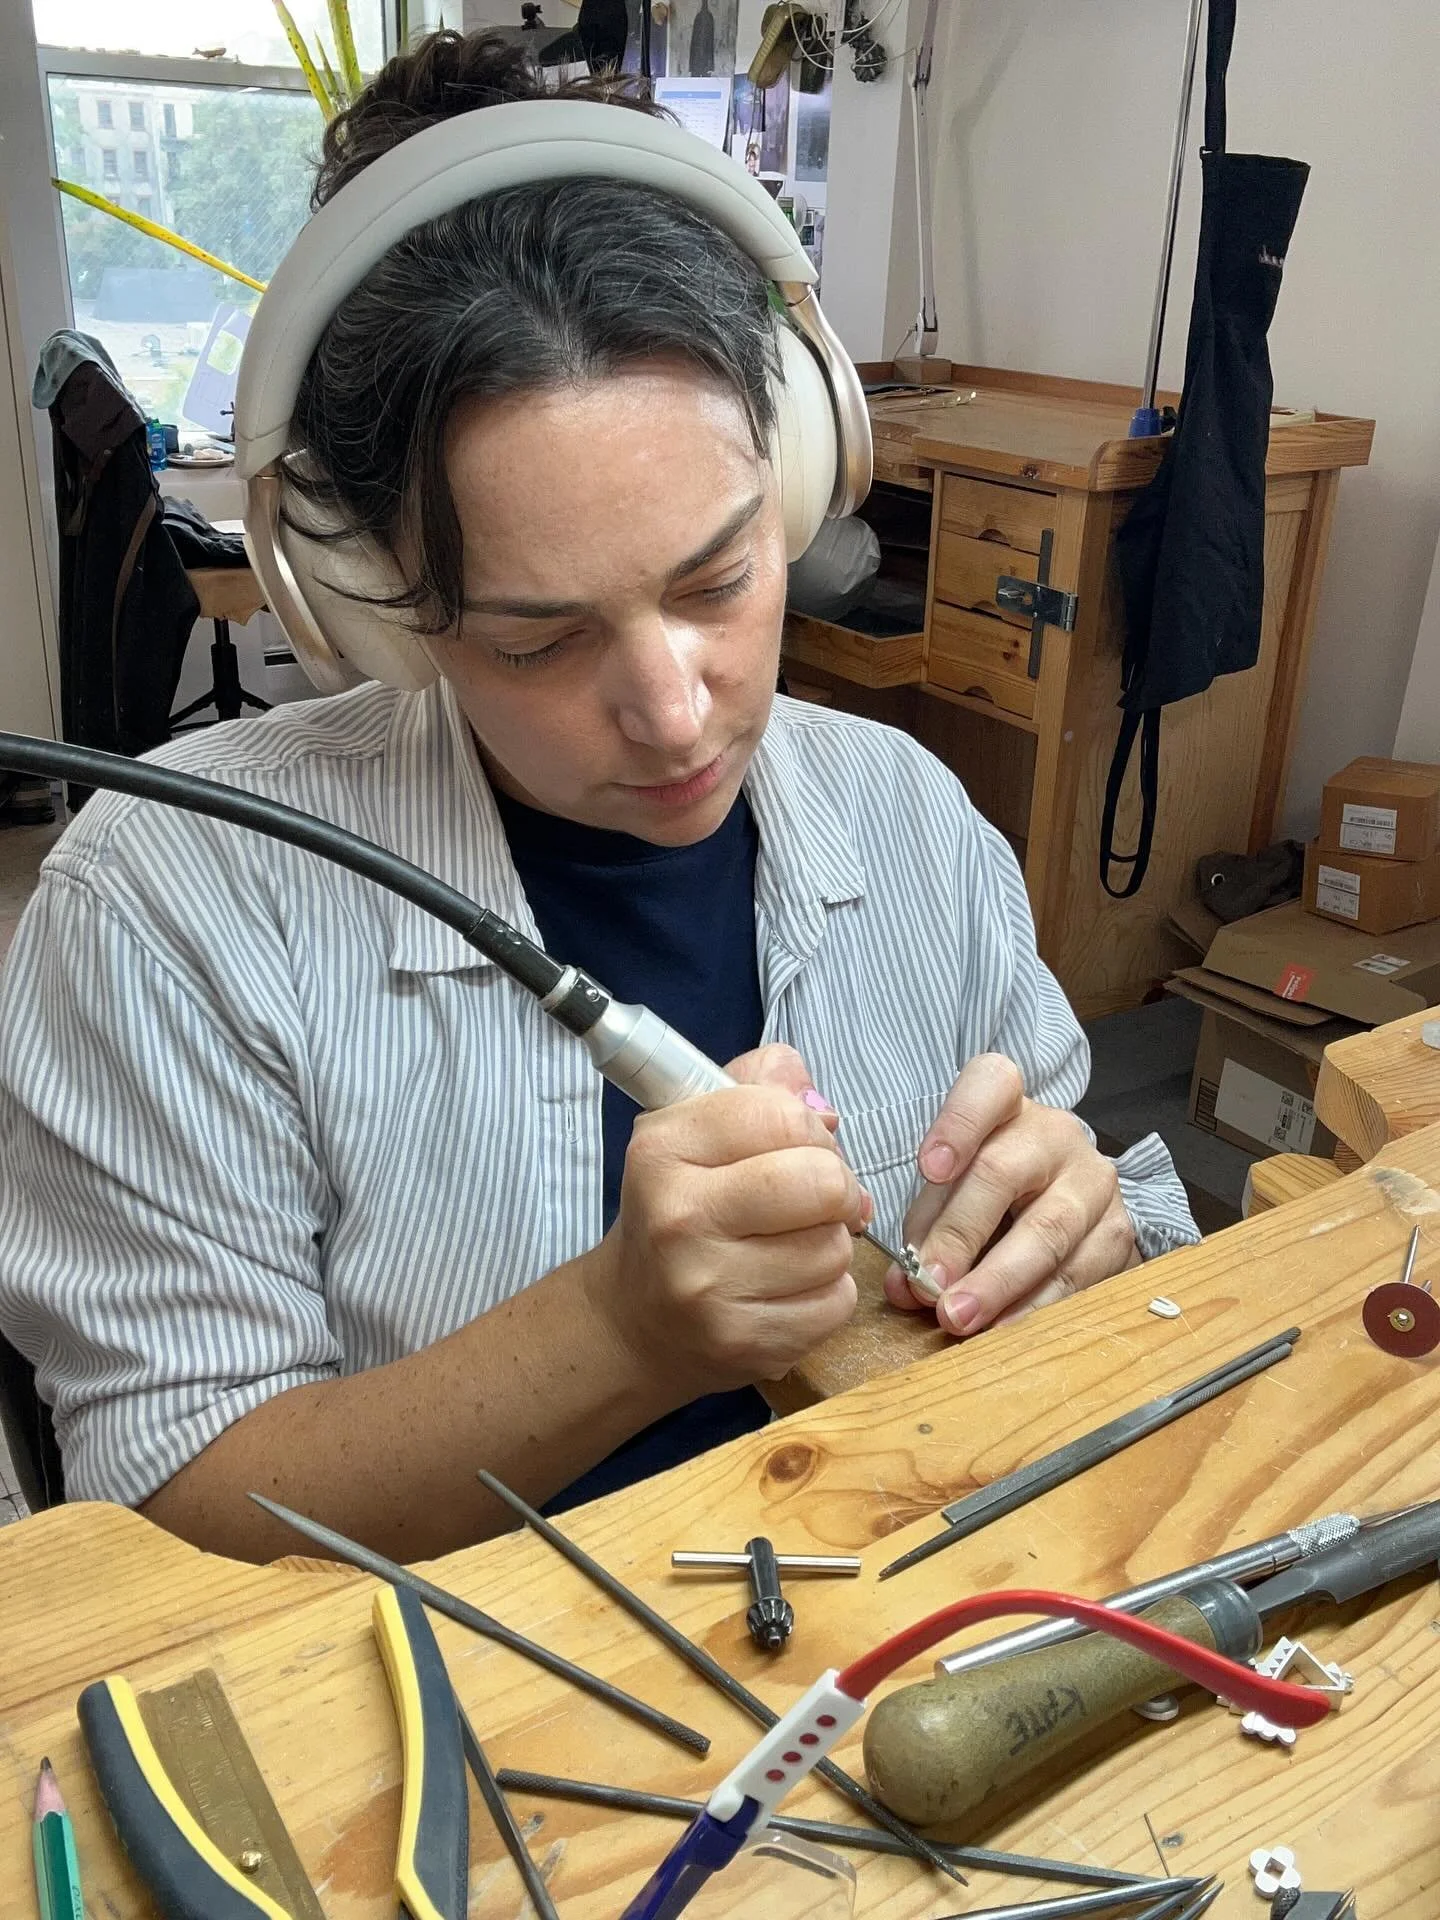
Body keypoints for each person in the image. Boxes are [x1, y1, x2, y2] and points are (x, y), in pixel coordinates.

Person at [0, 32, 1196, 1565]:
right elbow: (167, 1525)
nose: (677, 711)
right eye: (541, 637)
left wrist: (1078, 1239)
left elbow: (1122, 1218)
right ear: (373, 603)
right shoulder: (168, 903)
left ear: (804, 481)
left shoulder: (907, 815)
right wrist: (617, 1333)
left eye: (720, 580)